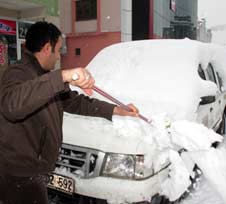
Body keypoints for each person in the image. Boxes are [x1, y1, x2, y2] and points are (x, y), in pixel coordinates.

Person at [0, 21, 138, 204]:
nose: (58, 57)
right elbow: (12, 105)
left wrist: (116, 109)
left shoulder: (42, 76)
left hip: (35, 170)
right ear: (47, 48)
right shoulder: (18, 72)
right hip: (19, 174)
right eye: (58, 50)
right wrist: (63, 76)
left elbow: (76, 102)